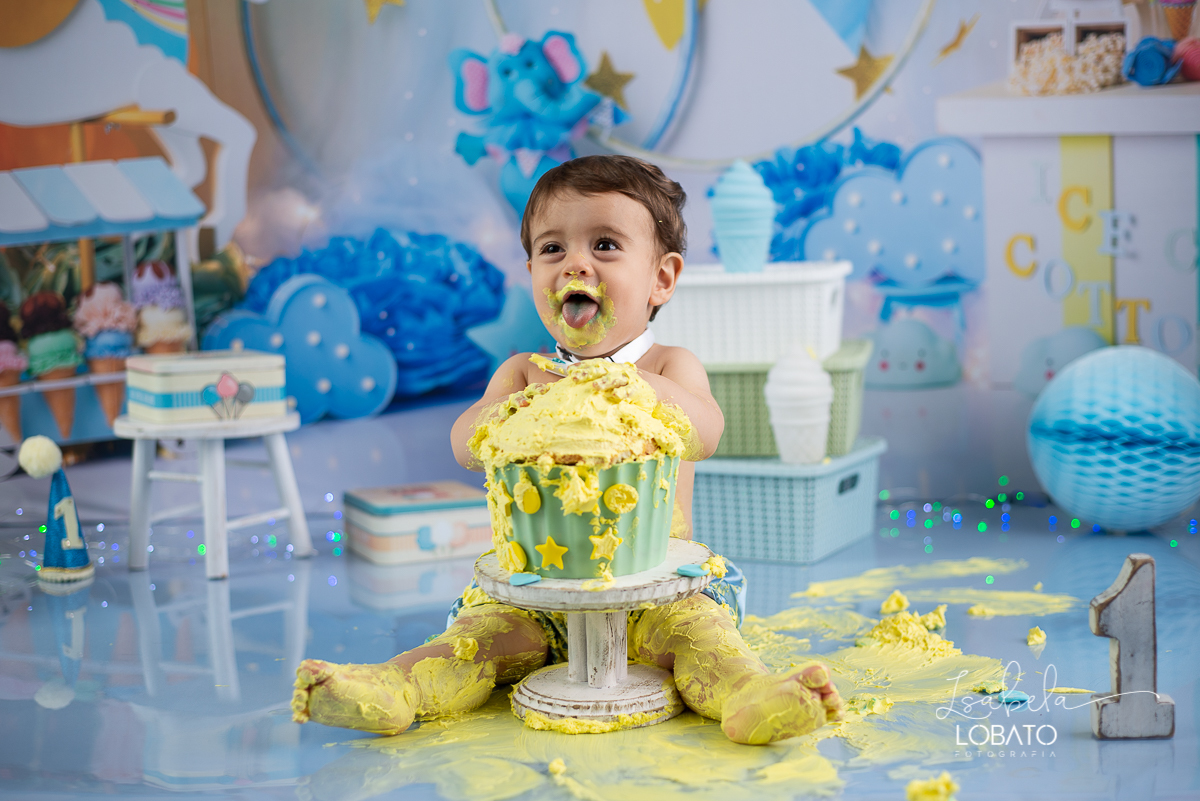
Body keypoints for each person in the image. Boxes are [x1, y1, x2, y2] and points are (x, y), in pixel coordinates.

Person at [292, 155, 843, 744]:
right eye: (553, 249)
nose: (576, 263)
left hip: (656, 593)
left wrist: (635, 386)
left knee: (704, 644)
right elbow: (463, 446)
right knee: (471, 643)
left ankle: (748, 696)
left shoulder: (667, 367)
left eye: (605, 244)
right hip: (537, 595)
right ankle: (397, 689)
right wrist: (513, 413)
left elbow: (706, 433)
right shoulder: (526, 375)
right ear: (532, 271)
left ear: (662, 277)